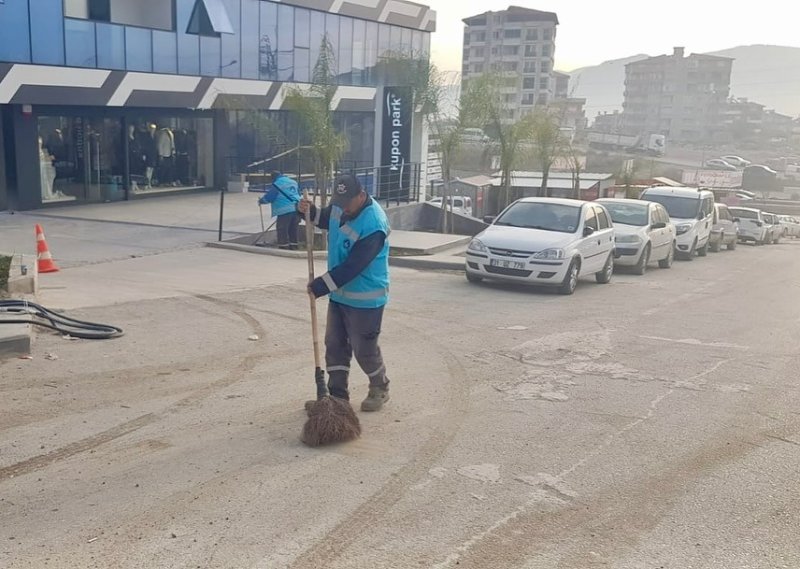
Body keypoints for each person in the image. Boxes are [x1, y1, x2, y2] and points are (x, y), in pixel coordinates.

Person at [299, 174, 391, 412]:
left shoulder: (374, 224)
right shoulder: (341, 206)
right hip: (339, 294)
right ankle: (338, 397)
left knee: (364, 349)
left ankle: (379, 387)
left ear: (361, 196)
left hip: (366, 298)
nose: (342, 207)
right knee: (335, 344)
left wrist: (321, 285)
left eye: (346, 202)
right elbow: (324, 218)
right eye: (338, 201)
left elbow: (354, 266)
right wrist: (307, 211)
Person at [259, 172, 301, 250]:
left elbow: (270, 197)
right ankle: (294, 247)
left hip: (284, 210)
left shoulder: (277, 183)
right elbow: (298, 194)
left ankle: (283, 247)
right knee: (293, 229)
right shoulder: (293, 182)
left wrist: (261, 201)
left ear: (273, 178)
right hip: (296, 209)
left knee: (282, 229)